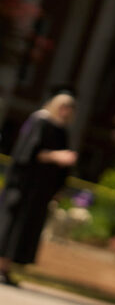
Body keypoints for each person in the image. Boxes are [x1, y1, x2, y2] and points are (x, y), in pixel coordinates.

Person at [0, 90, 77, 287]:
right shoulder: (39, 121)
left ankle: (5, 268)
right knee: (9, 226)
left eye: (69, 109)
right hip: (22, 187)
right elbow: (26, 154)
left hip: (39, 192)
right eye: (63, 107)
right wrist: (55, 156)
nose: (66, 112)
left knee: (23, 230)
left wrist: (58, 189)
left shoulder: (62, 130)